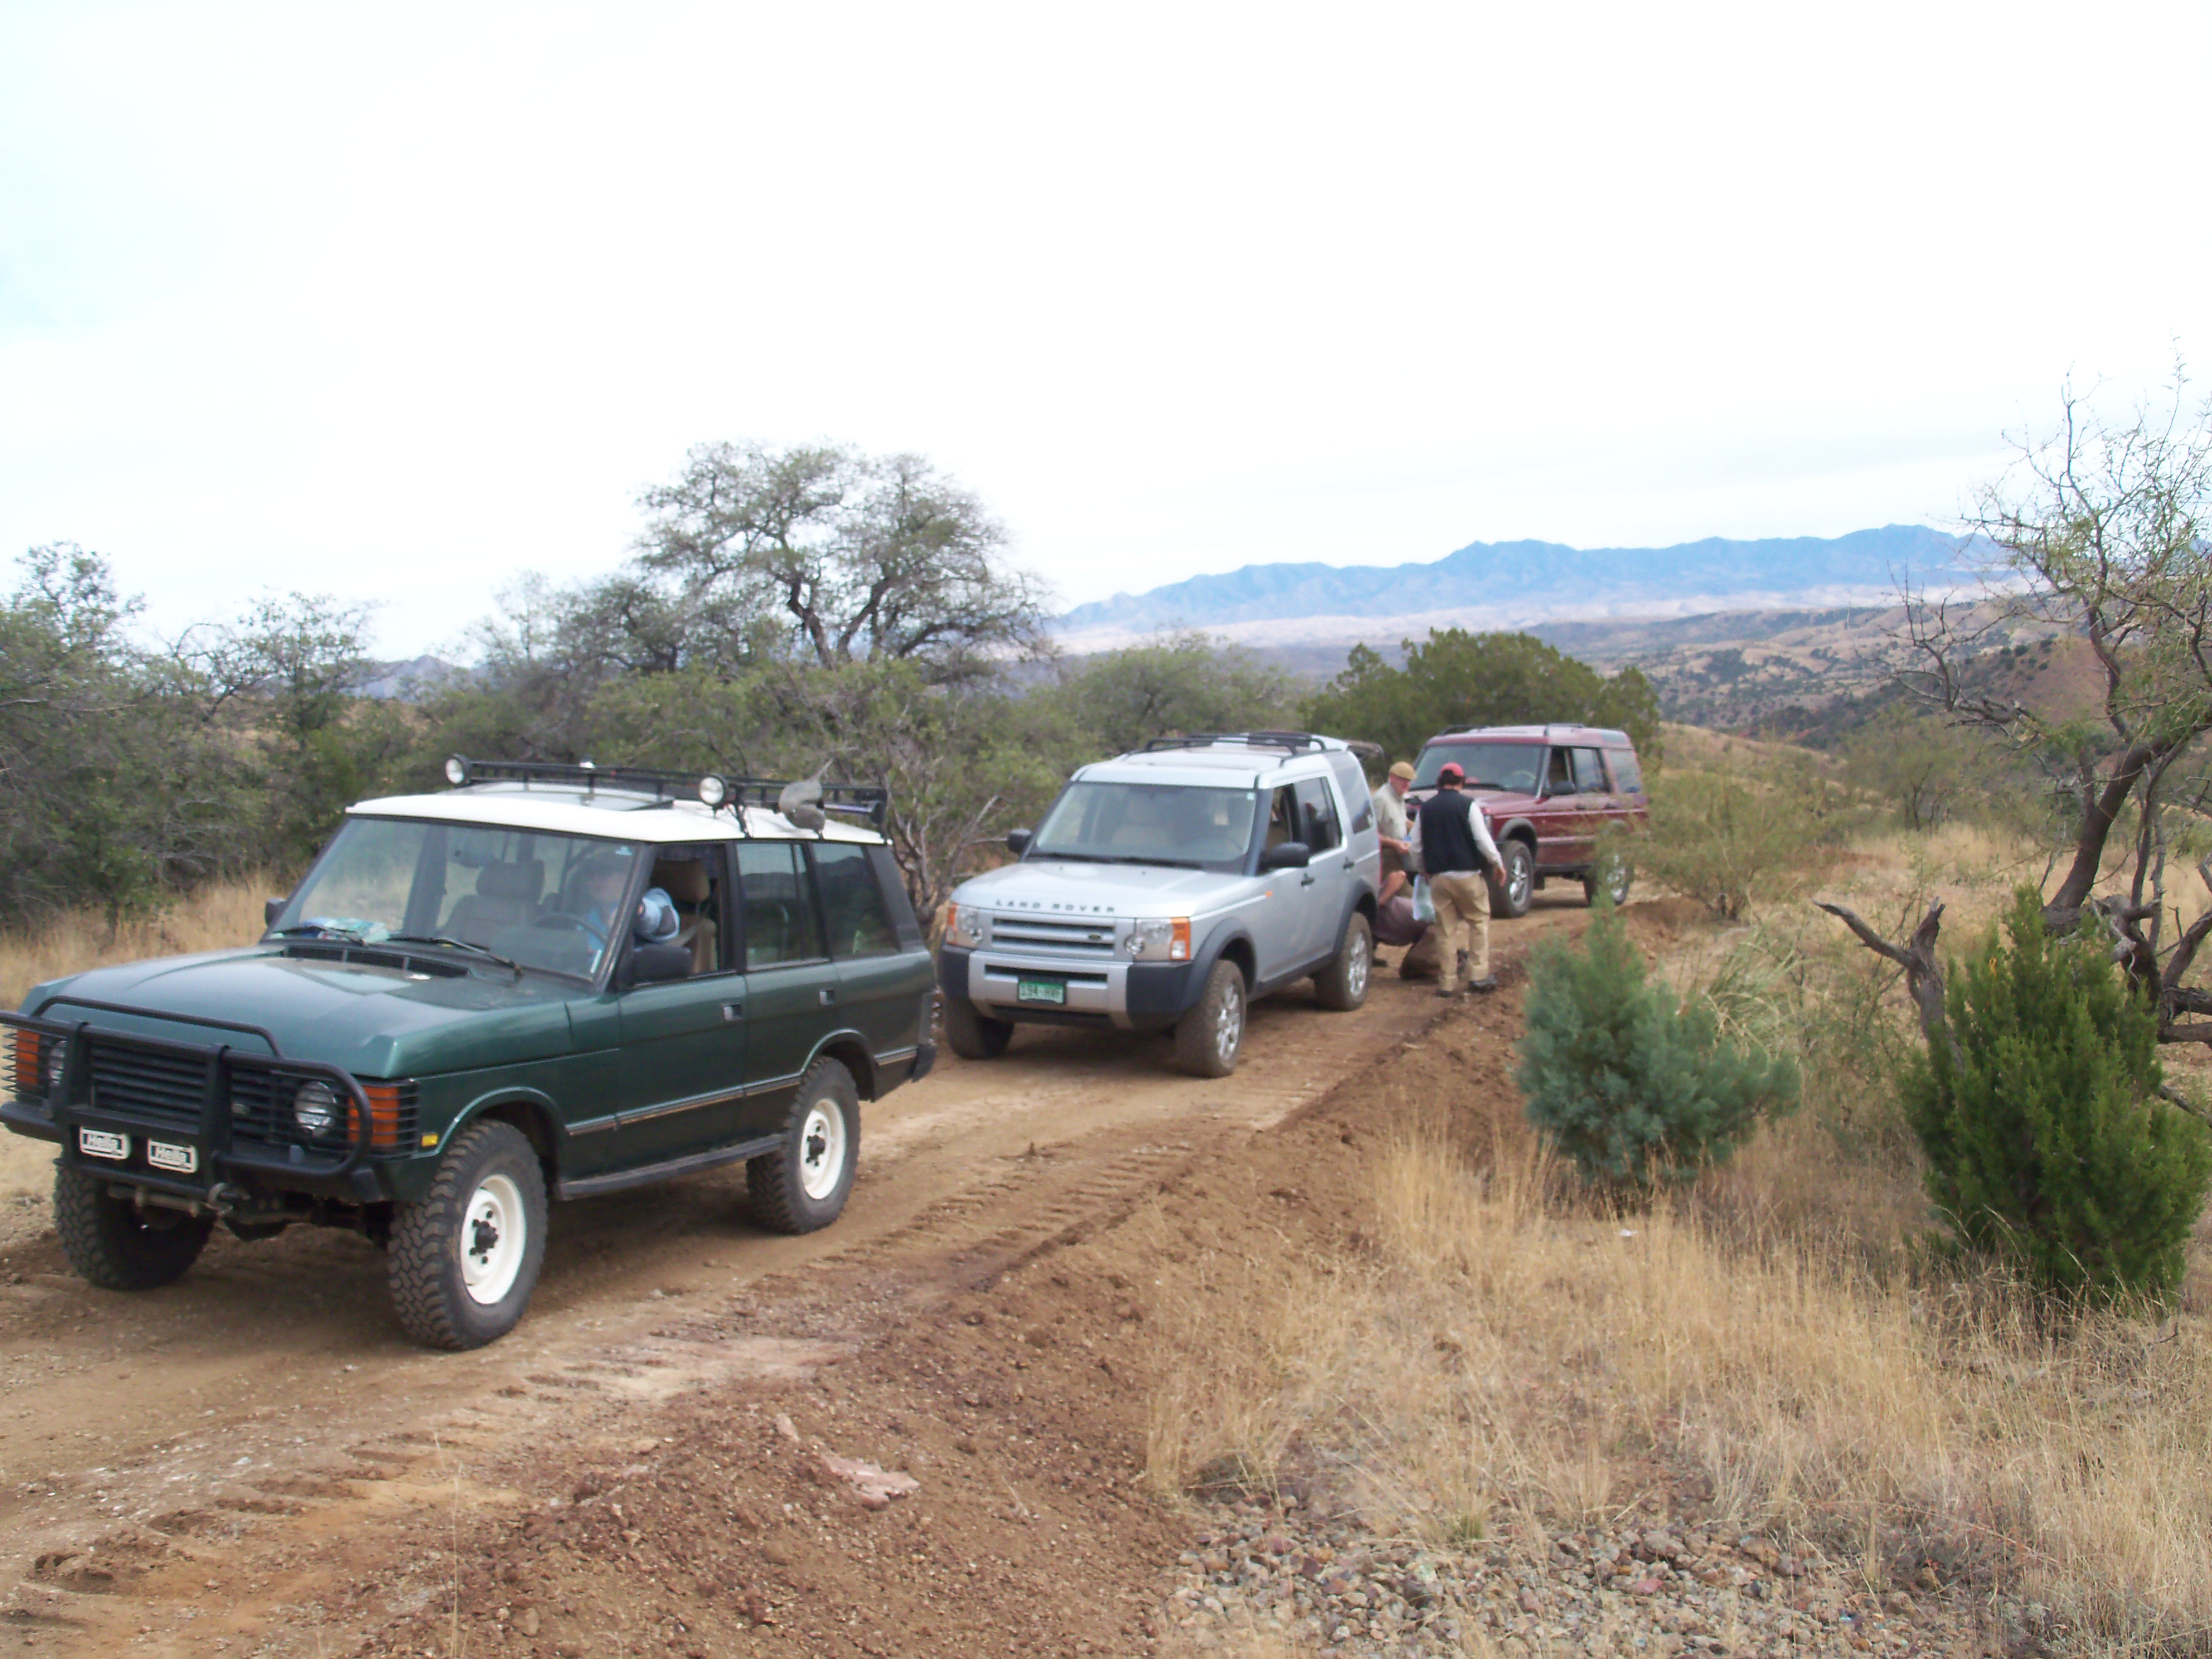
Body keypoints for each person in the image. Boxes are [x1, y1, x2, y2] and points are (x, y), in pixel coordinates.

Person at [1409, 761, 1504, 997]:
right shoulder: (1468, 805)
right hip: (1468, 876)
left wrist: (1423, 870)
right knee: (1478, 922)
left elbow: (1415, 846)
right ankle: (1478, 976)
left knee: (1445, 930)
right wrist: (1498, 863)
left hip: (1439, 879)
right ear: (1461, 782)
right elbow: (1482, 840)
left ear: (1439, 783)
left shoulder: (1425, 809)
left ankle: (1447, 982)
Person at [1370, 760, 1417, 906]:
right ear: (1392, 777)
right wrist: (1395, 844)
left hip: (1401, 855)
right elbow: (1371, 835)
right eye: (1403, 779)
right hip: (1386, 858)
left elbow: (1403, 822)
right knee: (1410, 901)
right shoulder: (1381, 799)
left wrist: (1420, 828)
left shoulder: (1400, 797)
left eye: (1409, 781)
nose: (1406, 784)